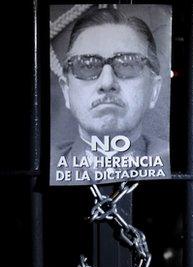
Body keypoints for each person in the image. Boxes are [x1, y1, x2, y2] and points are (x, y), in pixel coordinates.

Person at [50, 7, 170, 185]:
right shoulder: (45, 168)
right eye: (87, 65)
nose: (107, 83)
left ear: (154, 90)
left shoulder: (178, 164)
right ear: (66, 91)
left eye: (128, 63)